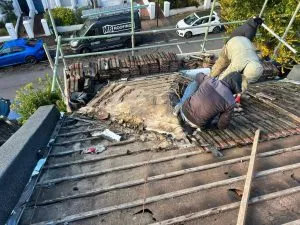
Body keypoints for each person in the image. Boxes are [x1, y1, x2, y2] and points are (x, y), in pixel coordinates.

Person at [175, 72, 242, 130]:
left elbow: (198, 75)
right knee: (217, 111)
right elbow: (222, 125)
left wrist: (206, 78)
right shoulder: (231, 101)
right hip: (196, 124)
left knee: (196, 82)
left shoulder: (210, 80)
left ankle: (179, 106)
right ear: (236, 87)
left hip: (184, 111)